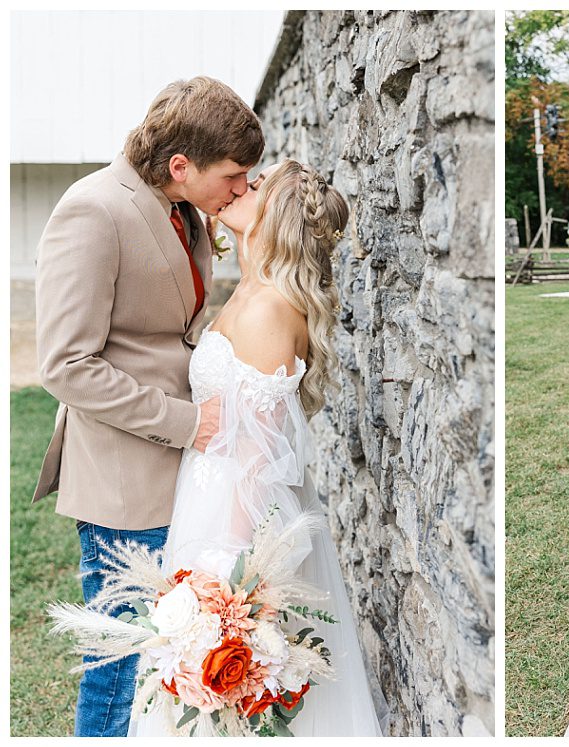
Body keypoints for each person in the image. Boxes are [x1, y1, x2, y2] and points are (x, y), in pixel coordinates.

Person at [33, 76, 263, 736]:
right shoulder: (92, 211)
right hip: (121, 481)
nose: (242, 190)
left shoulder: (184, 207)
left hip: (179, 476)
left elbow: (168, 329)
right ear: (181, 165)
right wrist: (188, 421)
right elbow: (66, 365)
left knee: (169, 658)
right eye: (235, 176)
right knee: (118, 663)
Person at [127, 159, 387, 736]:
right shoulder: (248, 287)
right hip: (201, 501)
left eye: (257, 184)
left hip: (231, 528)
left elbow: (260, 462)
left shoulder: (270, 306)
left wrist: (228, 578)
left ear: (281, 215)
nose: (241, 187)